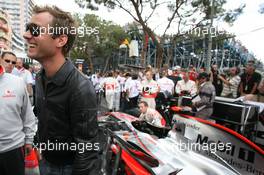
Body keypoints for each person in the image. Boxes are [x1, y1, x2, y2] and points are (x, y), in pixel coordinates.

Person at [23, 6, 101, 175]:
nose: (26, 35)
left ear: (60, 40)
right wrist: (38, 144)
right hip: (46, 161)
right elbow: (44, 118)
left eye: (35, 30)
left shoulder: (80, 87)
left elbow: (87, 149)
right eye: (27, 29)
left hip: (69, 168)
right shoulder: (40, 77)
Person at [0, 57, 37, 175]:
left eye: (14, 62)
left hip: (13, 149)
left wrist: (29, 140)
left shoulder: (17, 81)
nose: (11, 64)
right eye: (8, 61)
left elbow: (27, 115)